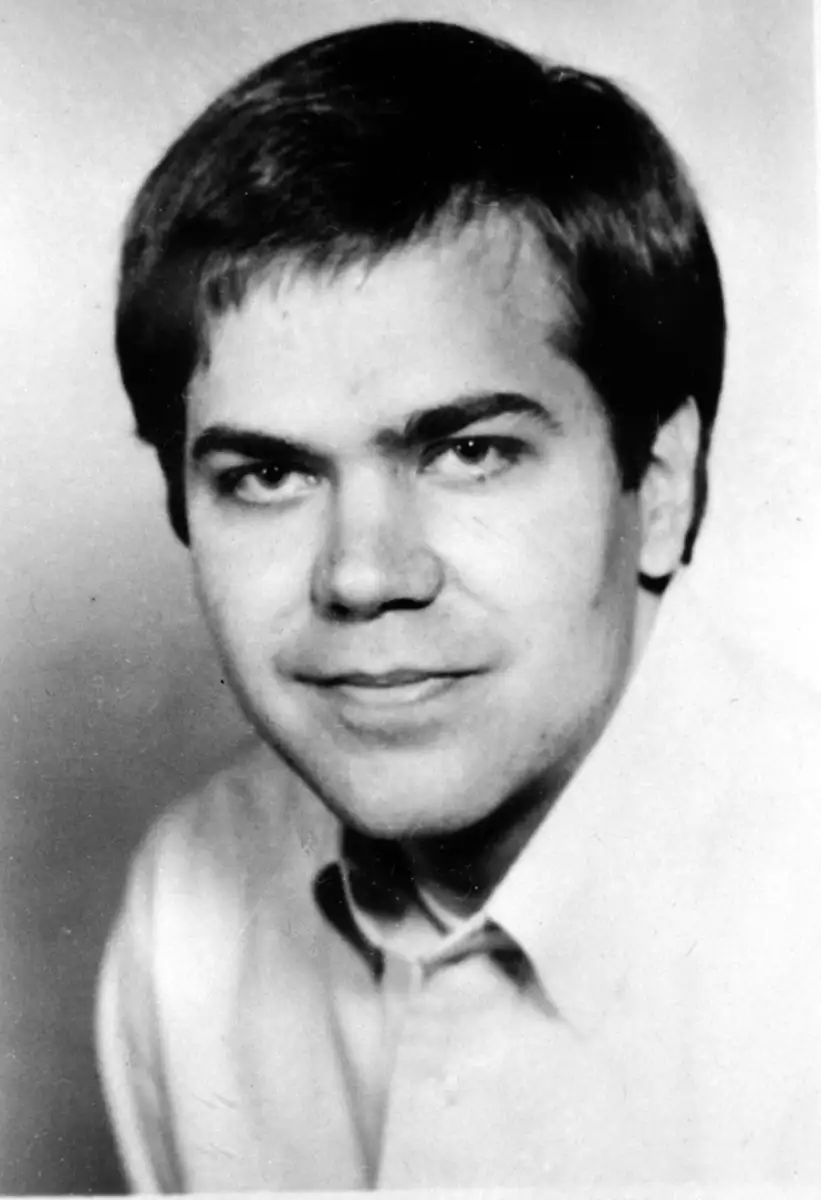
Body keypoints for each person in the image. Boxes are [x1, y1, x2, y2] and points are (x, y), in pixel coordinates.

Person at [96, 17, 821, 1192]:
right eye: (268, 475)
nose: (364, 574)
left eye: (468, 451)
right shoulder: (188, 911)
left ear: (662, 484)